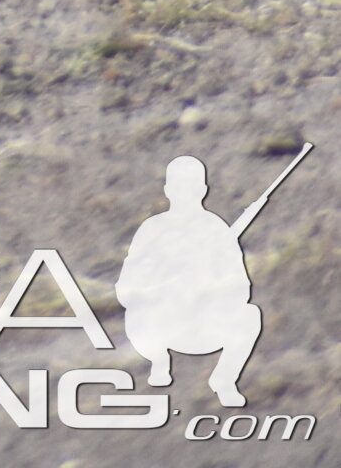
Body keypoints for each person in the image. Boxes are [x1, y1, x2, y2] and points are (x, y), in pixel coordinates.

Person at [122, 149, 297, 406]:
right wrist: (164, 289)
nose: (185, 193)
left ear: (203, 189)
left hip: (202, 323)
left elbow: (241, 287)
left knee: (250, 316)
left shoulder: (216, 229)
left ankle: (224, 380)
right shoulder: (152, 230)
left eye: (191, 186)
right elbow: (127, 288)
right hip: (161, 324)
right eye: (179, 186)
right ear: (168, 189)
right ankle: (159, 363)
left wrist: (209, 288)